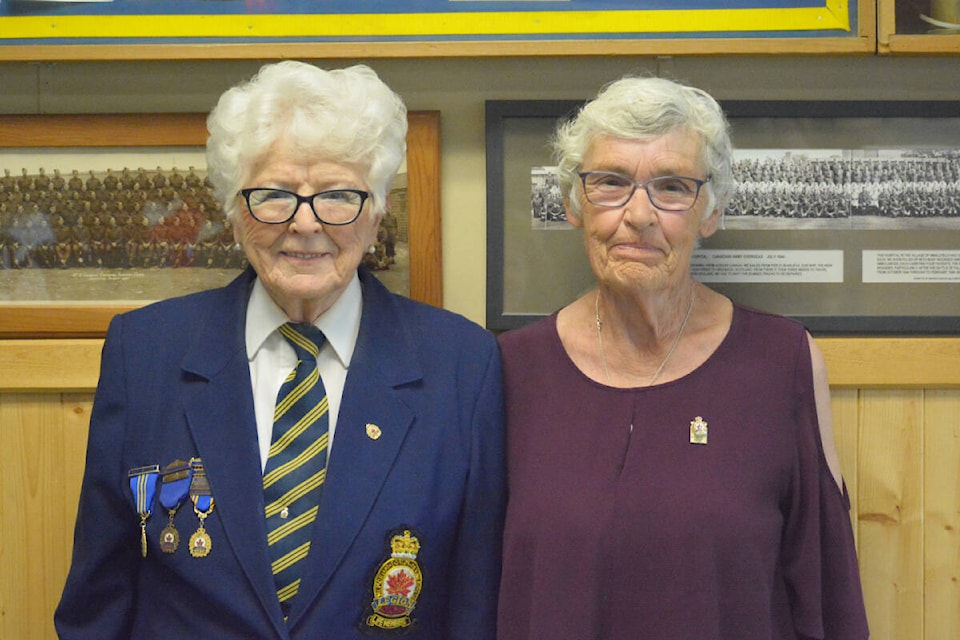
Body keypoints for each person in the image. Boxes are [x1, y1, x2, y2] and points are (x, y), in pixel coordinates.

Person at [55, 61, 505, 640]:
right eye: (274, 195)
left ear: (376, 211)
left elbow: (474, 607)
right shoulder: (145, 353)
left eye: (338, 196)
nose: (306, 224)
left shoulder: (462, 366)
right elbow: (100, 597)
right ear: (233, 210)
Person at [496, 76, 868, 640]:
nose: (638, 214)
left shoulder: (782, 364)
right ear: (575, 205)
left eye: (671, 187)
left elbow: (827, 596)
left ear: (710, 212)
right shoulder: (508, 371)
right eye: (610, 183)